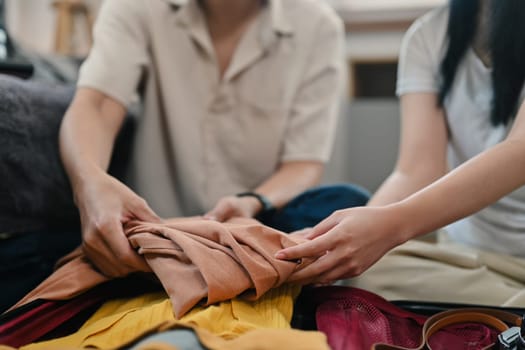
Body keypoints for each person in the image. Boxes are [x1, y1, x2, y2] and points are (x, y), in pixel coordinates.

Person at [57, 0, 369, 280]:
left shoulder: (318, 25)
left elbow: (303, 164)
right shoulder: (137, 7)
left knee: (347, 201)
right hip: (155, 229)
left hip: (256, 229)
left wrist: (251, 201)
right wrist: (90, 181)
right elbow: (95, 105)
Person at [276, 0, 525, 306]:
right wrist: (337, 240)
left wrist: (389, 227)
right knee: (367, 276)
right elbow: (417, 169)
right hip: (469, 256)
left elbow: (519, 152)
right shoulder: (428, 35)